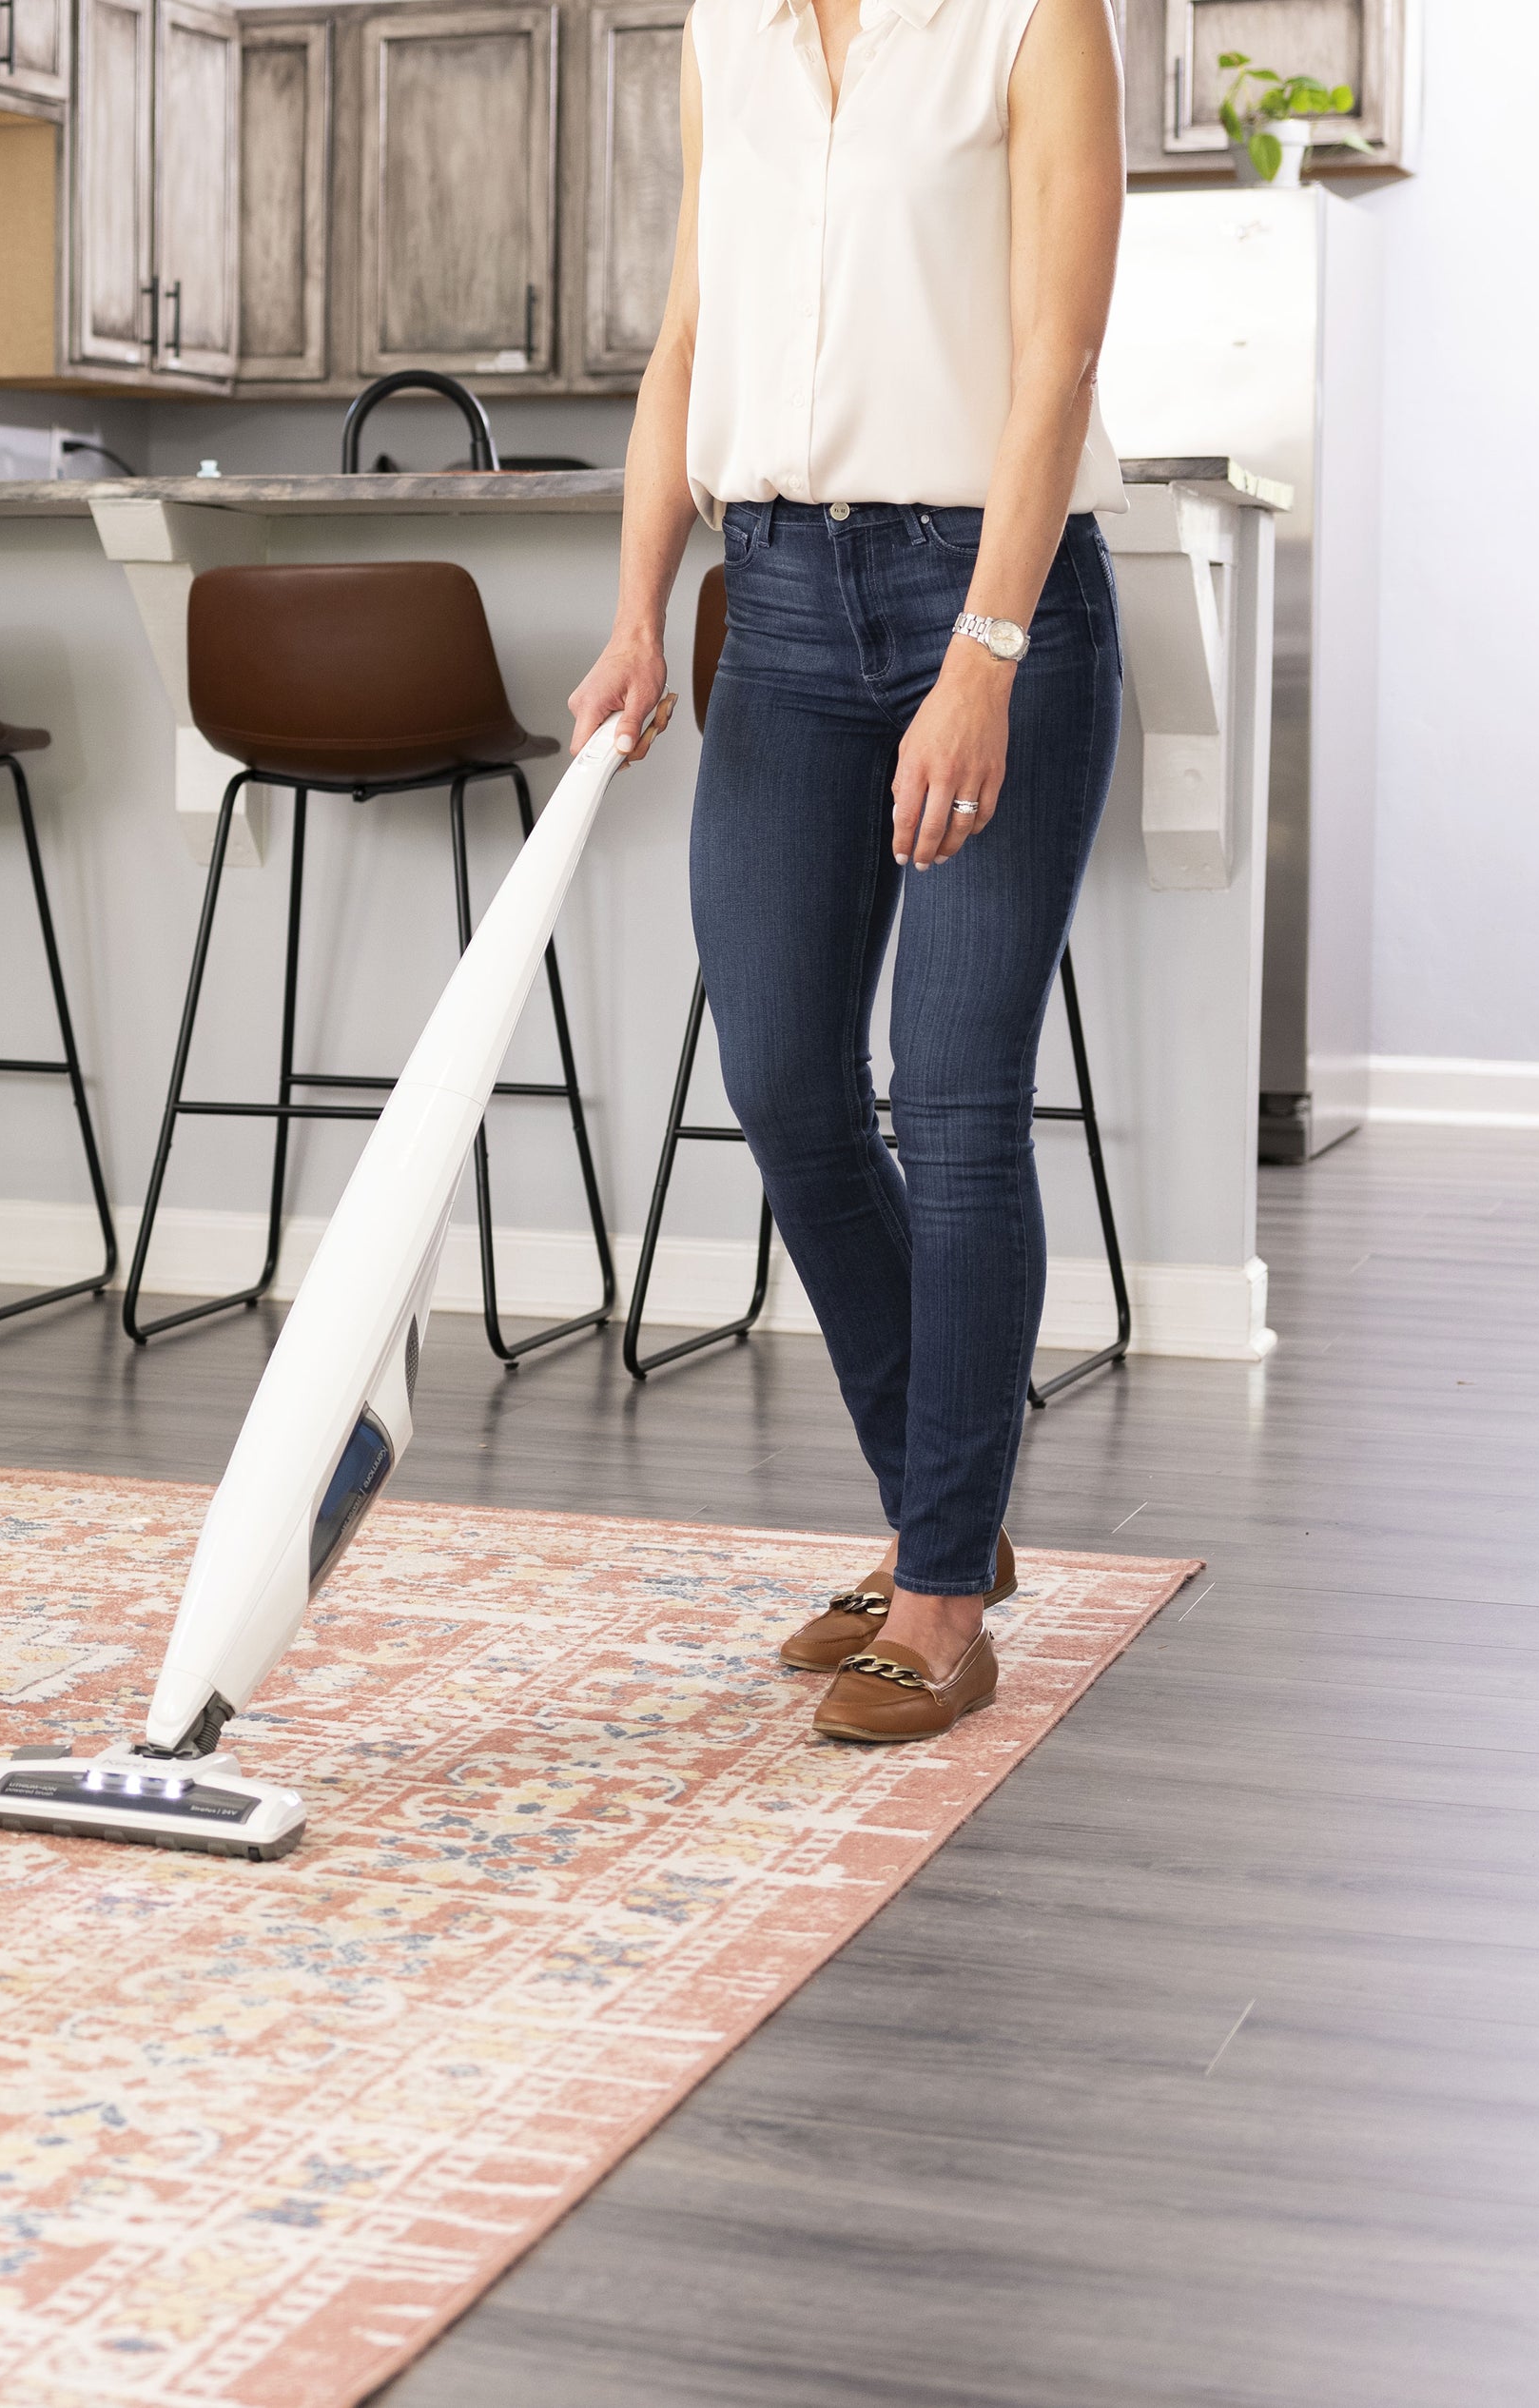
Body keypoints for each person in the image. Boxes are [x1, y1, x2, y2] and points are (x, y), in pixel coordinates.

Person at [568, 0, 1124, 1743]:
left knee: (954, 1100)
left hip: (992, 591)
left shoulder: (1033, 22)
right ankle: (942, 1525)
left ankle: (942, 1586)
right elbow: (684, 342)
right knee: (787, 1081)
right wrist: (639, 611)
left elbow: (1057, 359)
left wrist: (987, 652)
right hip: (784, 604)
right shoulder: (723, 34)